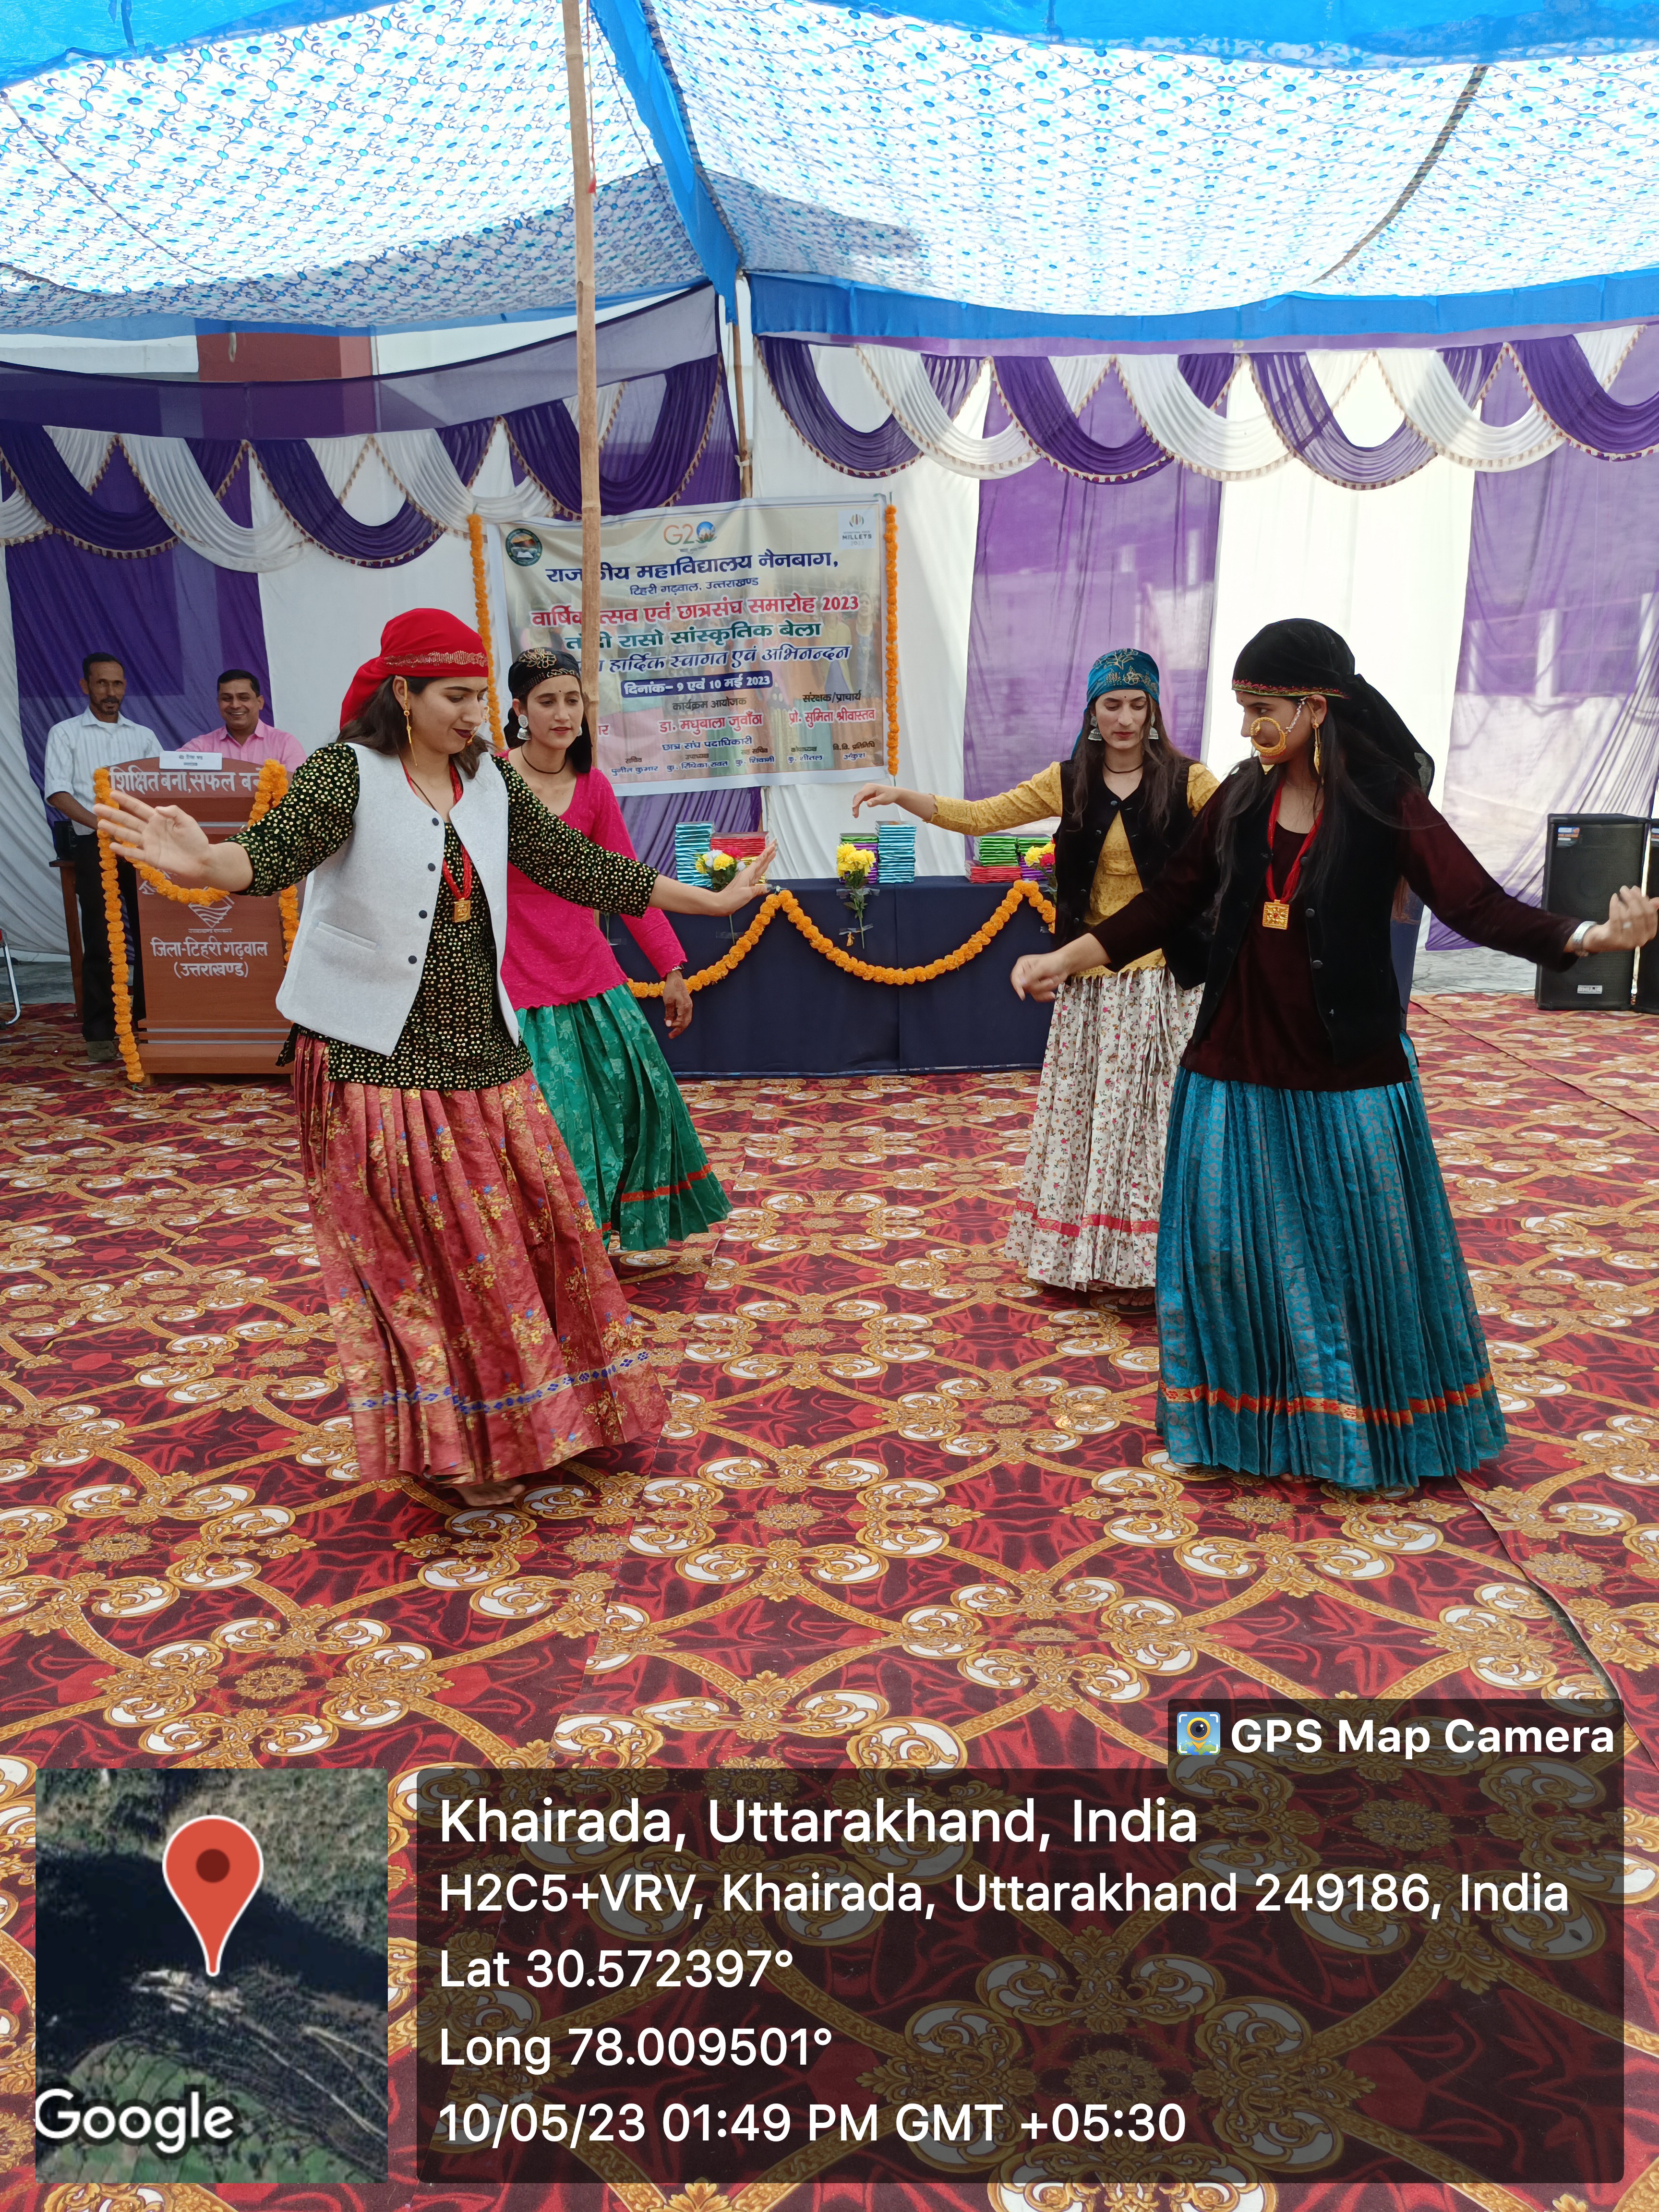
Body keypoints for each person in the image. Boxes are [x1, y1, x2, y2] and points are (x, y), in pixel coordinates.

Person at [96, 610, 774, 1514]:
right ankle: (460, 1446)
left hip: (485, 1050)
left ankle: (537, 1422)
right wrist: (205, 863)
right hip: (374, 1059)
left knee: (531, 1238)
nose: (472, 715)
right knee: (433, 1260)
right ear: (403, 695)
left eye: (477, 697)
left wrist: (708, 900)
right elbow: (268, 855)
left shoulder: (488, 779)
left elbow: (584, 867)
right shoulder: (346, 772)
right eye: (454, 696)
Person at [1010, 618, 1659, 1493]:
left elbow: (1475, 904)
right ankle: (1233, 1429)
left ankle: (1372, 1438)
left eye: (1264, 708)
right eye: (1243, 707)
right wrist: (1068, 956)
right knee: (1225, 1260)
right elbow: (1168, 902)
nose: (1250, 726)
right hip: (1232, 1065)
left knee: (1360, 1263)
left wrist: (1589, 937)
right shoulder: (1241, 795)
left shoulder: (1386, 800)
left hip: (1347, 1073)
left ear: (1316, 708)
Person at [853, 648, 1217, 1300]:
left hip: (1165, 982)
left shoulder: (1191, 782)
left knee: (1151, 1122)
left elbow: (1243, 843)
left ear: (1155, 710)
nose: (1125, 718)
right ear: (1092, 710)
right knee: (1089, 1122)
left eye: (1138, 705)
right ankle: (1090, 1254)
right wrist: (905, 796)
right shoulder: (1068, 779)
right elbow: (981, 816)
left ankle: (1155, 1263)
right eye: (1112, 704)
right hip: (1090, 982)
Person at [500, 647, 730, 1251]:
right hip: (517, 982)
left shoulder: (593, 788)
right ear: (519, 710)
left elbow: (628, 882)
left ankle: (613, 1235)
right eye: (547, 702)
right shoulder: (488, 783)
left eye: (572, 701)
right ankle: (555, 1246)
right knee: (554, 1119)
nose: (563, 714)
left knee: (638, 1099)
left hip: (590, 974)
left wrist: (672, 969)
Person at [43, 652, 161, 1064]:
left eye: (117, 684)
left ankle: (148, 1022)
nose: (111, 692)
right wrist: (103, 824)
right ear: (85, 687)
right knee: (101, 936)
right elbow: (58, 793)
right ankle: (100, 1031)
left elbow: (162, 786)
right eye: (102, 683)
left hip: (141, 843)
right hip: (94, 843)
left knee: (151, 933)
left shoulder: (143, 736)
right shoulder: (66, 733)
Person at [177, 669, 307, 771]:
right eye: (227, 699)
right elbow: (170, 776)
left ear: (260, 702)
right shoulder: (201, 748)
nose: (235, 705)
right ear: (219, 703)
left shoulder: (285, 744)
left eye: (244, 698)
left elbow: (302, 791)